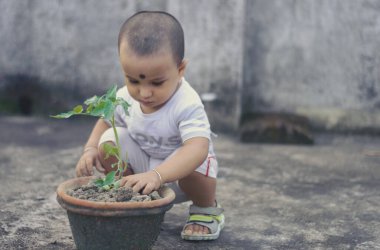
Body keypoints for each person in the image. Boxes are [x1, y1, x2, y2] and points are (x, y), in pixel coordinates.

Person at [75, 11, 224, 241]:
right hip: (145, 167)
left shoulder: (186, 102)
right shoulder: (125, 98)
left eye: (157, 82)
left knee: (198, 159)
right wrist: (90, 149)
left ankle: (206, 209)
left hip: (182, 175)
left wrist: (158, 174)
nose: (144, 92)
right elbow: (105, 120)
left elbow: (197, 147)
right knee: (109, 142)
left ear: (180, 70)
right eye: (133, 80)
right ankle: (134, 198)